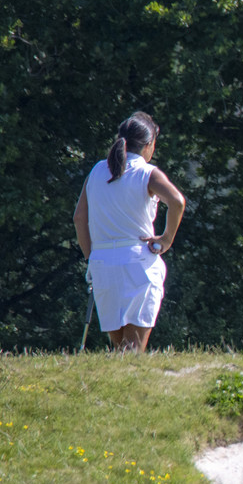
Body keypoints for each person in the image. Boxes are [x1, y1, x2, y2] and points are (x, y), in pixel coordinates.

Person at [72, 112, 186, 352]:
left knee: (119, 349)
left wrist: (91, 258)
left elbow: (79, 217)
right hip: (138, 263)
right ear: (148, 145)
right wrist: (166, 239)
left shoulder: (97, 171)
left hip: (102, 263)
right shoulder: (147, 173)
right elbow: (177, 201)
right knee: (132, 347)